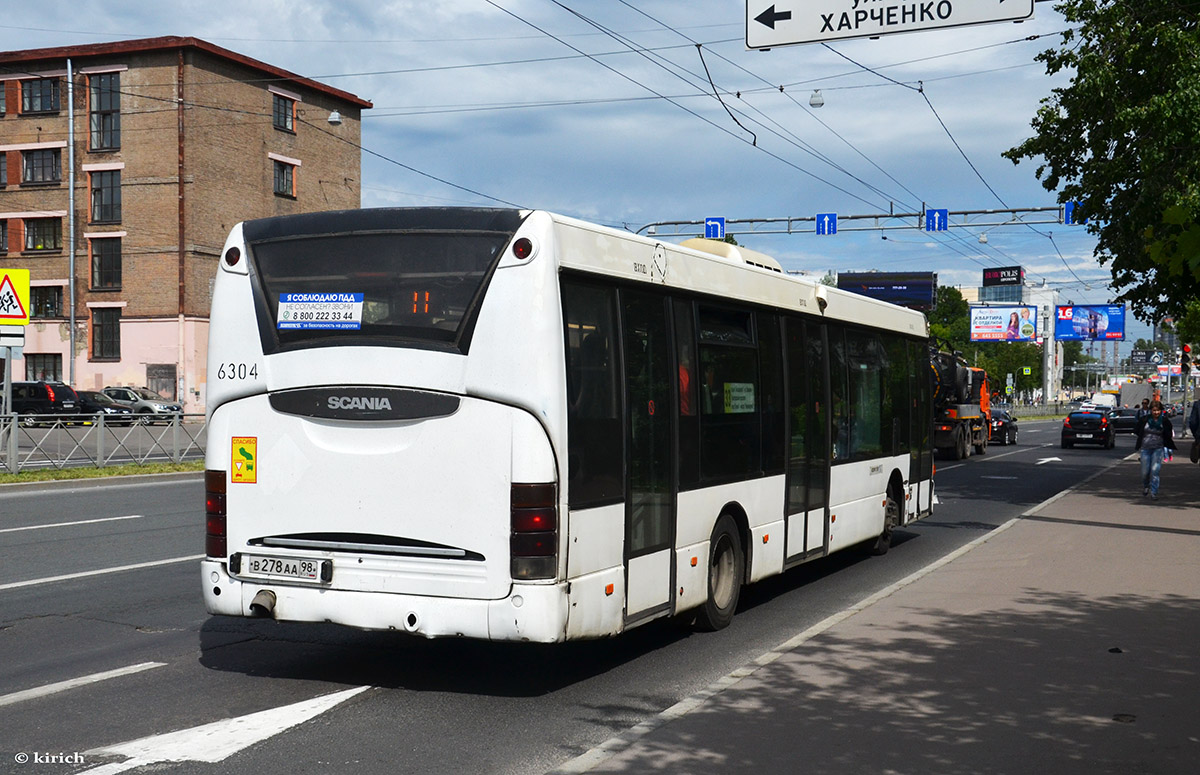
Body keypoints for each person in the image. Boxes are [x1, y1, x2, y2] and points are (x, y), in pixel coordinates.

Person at [1134, 400, 1176, 499]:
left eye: (1158, 410)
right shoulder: (1144, 420)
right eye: (1154, 410)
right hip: (1145, 448)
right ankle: (1145, 486)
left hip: (1158, 448)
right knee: (1145, 472)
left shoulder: (1164, 421)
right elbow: (1137, 430)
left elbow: (1169, 434)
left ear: (1161, 411)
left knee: (1155, 471)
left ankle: (1154, 492)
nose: (1156, 412)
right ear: (1150, 410)